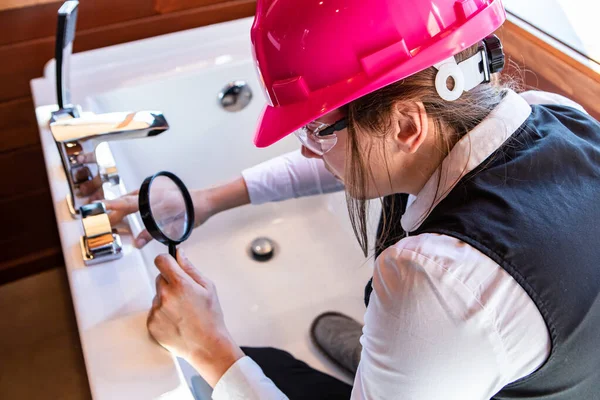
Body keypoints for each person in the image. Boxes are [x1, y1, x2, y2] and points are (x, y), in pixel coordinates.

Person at [105, 0, 600, 398]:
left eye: (318, 130)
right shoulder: (553, 114)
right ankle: (400, 367)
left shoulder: (440, 282)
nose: (306, 148)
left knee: (234, 369)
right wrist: (208, 199)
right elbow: (344, 158)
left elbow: (350, 158)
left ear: (407, 124)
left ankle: (403, 364)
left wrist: (206, 346)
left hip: (455, 347)